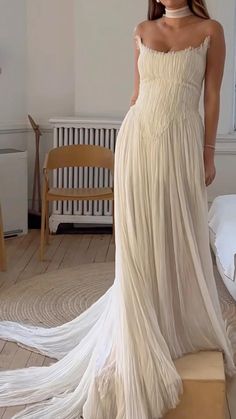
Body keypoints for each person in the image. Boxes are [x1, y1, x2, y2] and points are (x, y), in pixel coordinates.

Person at [0, 1, 236, 418]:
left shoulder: (211, 30)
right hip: (138, 140)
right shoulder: (142, 30)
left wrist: (208, 153)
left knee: (175, 233)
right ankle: (140, 325)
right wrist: (127, 145)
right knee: (140, 239)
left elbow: (213, 94)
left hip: (182, 143)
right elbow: (136, 94)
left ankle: (172, 319)